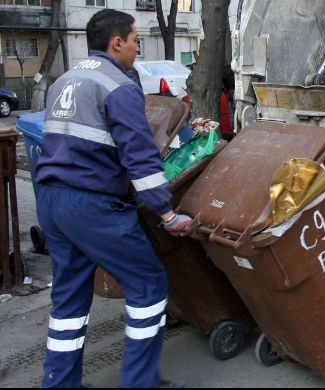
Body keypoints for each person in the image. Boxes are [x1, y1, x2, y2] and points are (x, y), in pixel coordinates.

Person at [35, 9, 192, 388]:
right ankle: (141, 382)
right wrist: (167, 214)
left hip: (51, 200)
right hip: (91, 204)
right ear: (116, 42)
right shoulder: (118, 86)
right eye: (136, 40)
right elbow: (140, 159)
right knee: (149, 284)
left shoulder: (64, 81)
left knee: (70, 300)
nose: (138, 48)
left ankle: (60, 384)